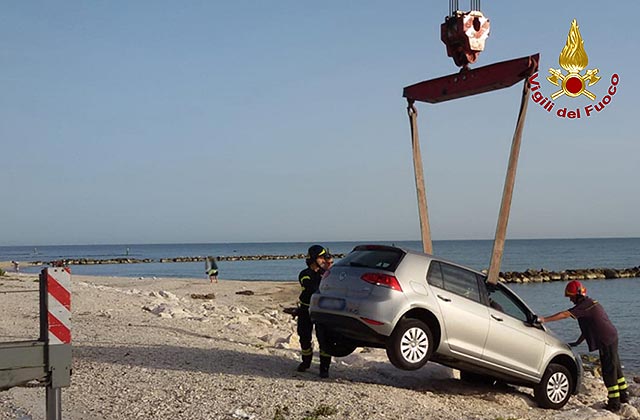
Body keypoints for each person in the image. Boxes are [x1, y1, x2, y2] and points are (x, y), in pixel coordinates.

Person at [538, 280, 628, 411]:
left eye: (571, 297)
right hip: (611, 337)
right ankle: (624, 396)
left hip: (606, 340)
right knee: (616, 368)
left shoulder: (583, 306)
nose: (570, 300)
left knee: (609, 371)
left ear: (578, 294)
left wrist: (544, 319)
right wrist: (578, 342)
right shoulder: (589, 304)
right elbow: (590, 327)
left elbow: (565, 314)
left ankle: (614, 404)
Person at [296, 244, 332, 377]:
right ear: (314, 258)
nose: (324, 260)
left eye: (325, 257)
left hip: (322, 311)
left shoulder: (327, 273)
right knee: (304, 336)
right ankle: (306, 362)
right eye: (321, 257)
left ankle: (324, 368)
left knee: (324, 339)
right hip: (306, 309)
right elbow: (312, 288)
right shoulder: (305, 274)